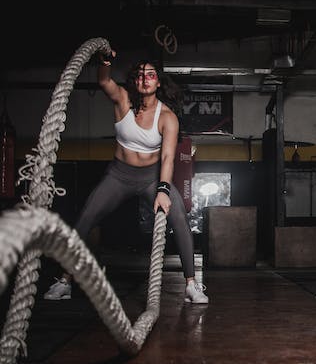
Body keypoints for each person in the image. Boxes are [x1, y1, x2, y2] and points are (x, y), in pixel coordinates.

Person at [44, 51, 209, 304]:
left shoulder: (167, 117)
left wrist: (163, 190)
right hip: (118, 175)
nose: (145, 79)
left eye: (151, 75)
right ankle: (65, 281)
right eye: (140, 75)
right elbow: (104, 81)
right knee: (85, 219)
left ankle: (191, 285)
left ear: (158, 82)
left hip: (152, 178)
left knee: (180, 219)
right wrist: (105, 62)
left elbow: (167, 158)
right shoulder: (122, 100)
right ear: (135, 81)